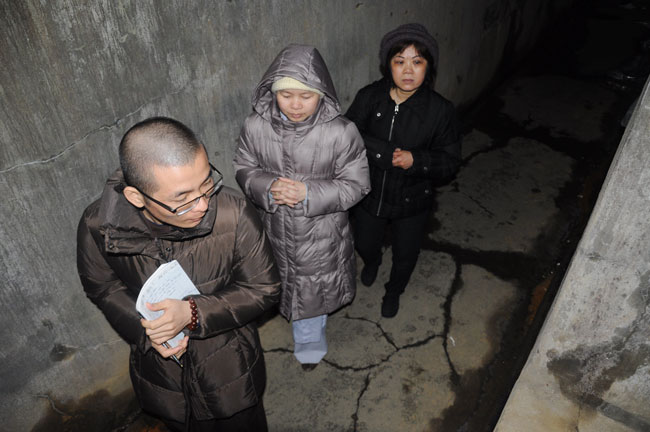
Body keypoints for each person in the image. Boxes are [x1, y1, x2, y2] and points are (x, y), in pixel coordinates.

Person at [76, 117, 281, 431]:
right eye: (182, 199)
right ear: (136, 197)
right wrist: (147, 330)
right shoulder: (99, 225)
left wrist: (194, 312)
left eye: (206, 183)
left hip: (230, 370)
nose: (202, 205)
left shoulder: (234, 213)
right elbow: (103, 286)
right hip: (164, 374)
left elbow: (264, 287)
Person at [233, 44, 370, 370]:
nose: (295, 105)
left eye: (306, 96)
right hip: (272, 232)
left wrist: (309, 193)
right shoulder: (255, 126)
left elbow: (357, 184)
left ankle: (310, 350)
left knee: (312, 301)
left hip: (321, 238)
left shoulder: (341, 132)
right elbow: (244, 167)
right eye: (286, 95)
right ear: (273, 92)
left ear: (321, 94)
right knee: (280, 287)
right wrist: (267, 186)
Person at [345, 23, 461, 318]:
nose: (408, 70)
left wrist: (417, 160)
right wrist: (383, 153)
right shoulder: (370, 96)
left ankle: (394, 291)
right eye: (400, 61)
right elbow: (345, 134)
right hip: (370, 192)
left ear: (428, 67)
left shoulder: (440, 110)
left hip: (413, 198)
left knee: (406, 255)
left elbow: (450, 162)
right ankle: (372, 262)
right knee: (364, 243)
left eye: (417, 62)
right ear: (389, 65)